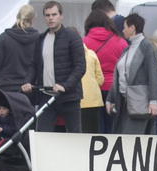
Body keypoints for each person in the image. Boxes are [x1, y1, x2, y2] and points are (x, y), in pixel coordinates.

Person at [23, 1, 86, 133]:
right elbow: (34, 65)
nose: (50, 18)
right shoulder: (40, 39)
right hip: (46, 95)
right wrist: (28, 82)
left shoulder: (72, 37)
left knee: (75, 135)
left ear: (61, 16)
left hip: (69, 97)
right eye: (47, 15)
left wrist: (65, 86)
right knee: (42, 134)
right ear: (44, 18)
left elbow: (80, 67)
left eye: (54, 14)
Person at [105, 13, 157, 135]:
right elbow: (119, 76)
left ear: (132, 28)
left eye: (124, 27)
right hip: (123, 102)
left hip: (139, 102)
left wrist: (153, 101)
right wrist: (110, 99)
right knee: (124, 137)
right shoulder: (127, 49)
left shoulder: (146, 46)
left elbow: (153, 75)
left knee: (131, 137)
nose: (122, 30)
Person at [83, 9, 128, 134]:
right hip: (114, 88)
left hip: (92, 90)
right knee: (113, 125)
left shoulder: (83, 42)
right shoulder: (120, 42)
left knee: (95, 127)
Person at [76, 30, 105, 134]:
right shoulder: (92, 54)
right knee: (94, 132)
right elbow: (100, 79)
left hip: (76, 100)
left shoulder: (68, 55)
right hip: (94, 100)